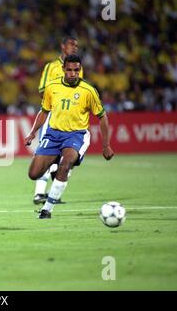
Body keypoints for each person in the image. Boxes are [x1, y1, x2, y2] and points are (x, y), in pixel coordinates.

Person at [24, 54, 114, 219]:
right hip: (53, 134)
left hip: (75, 135)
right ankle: (56, 163)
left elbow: (102, 117)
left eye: (76, 70)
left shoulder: (88, 91)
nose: (73, 74)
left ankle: (47, 210)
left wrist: (106, 145)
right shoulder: (52, 87)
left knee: (66, 165)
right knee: (33, 174)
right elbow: (44, 111)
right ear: (64, 69)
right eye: (70, 70)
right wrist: (32, 133)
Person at [33, 36, 83, 205]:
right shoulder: (52, 67)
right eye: (71, 44)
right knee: (47, 151)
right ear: (63, 46)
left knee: (66, 158)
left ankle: (54, 193)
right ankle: (39, 193)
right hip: (52, 114)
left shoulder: (78, 68)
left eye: (76, 45)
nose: (74, 47)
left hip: (71, 118)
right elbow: (42, 91)